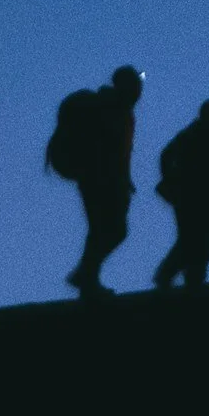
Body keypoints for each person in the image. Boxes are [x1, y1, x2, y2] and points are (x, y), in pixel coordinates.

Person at [47, 65, 144, 299]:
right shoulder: (110, 108)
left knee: (107, 230)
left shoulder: (122, 111)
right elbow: (108, 147)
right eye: (135, 86)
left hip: (101, 177)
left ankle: (87, 276)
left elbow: (122, 150)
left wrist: (125, 178)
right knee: (108, 229)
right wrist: (116, 176)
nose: (139, 91)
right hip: (97, 177)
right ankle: (87, 277)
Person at [153, 99, 209, 289]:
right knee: (193, 239)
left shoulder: (198, 134)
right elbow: (167, 155)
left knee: (199, 240)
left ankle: (190, 277)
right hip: (191, 197)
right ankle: (173, 275)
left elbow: (166, 155)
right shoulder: (194, 135)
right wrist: (172, 181)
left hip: (198, 197)